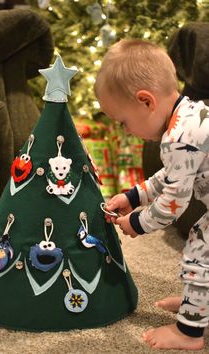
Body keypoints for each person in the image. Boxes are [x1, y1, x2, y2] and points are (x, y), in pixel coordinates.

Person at [95, 38, 209, 350]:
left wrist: (138, 222)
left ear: (146, 101)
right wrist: (133, 197)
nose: (127, 131)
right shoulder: (189, 116)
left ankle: (189, 332)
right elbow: (170, 176)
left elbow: (173, 203)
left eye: (124, 122)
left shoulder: (179, 139)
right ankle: (195, 305)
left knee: (201, 253)